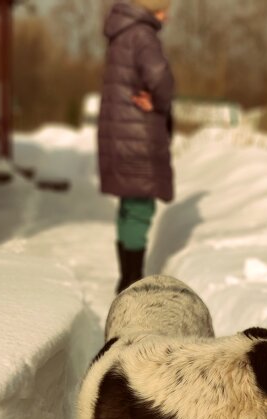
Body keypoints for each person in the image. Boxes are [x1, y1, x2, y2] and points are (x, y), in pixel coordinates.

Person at [98, 0, 174, 293]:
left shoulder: (121, 32)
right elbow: (160, 78)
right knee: (140, 205)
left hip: (120, 132)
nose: (167, 15)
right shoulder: (143, 34)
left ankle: (126, 278)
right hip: (138, 134)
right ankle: (132, 281)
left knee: (129, 205)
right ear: (151, 8)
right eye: (163, 9)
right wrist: (160, 102)